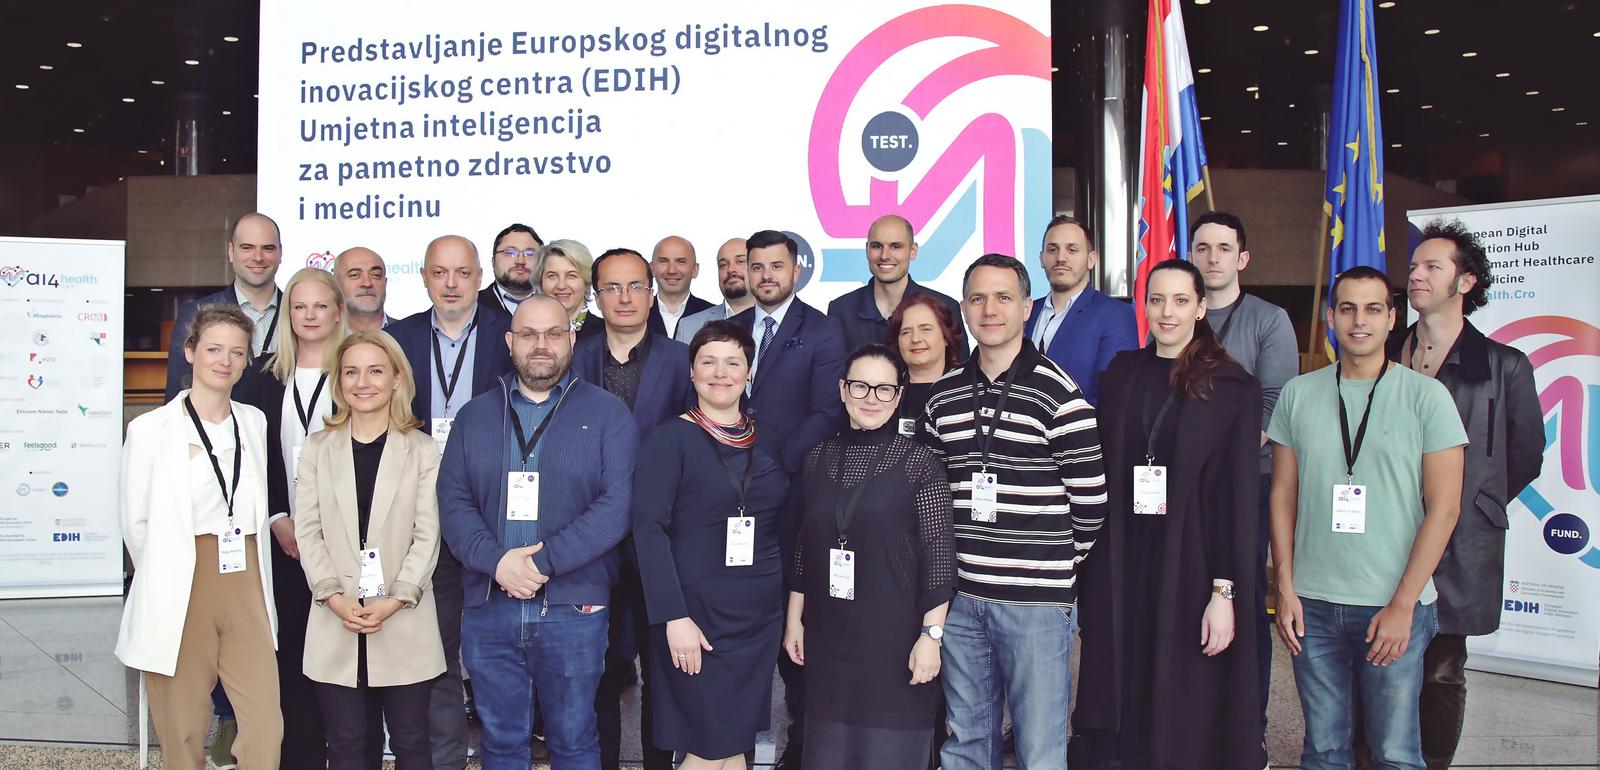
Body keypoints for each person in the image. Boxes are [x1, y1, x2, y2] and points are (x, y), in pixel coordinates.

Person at [1269, 266, 1467, 770]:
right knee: (1323, 750)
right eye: (1348, 309)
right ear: (1330, 317)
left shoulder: (1427, 397)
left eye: (1373, 309)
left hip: (1392, 603)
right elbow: (1282, 495)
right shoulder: (1298, 393)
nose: (1360, 321)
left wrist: (1403, 604)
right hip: (1312, 605)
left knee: (1395, 753)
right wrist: (1285, 586)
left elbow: (1445, 510)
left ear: (1392, 318)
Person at [1072, 259, 1266, 770]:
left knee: (1180, 692)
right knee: (1120, 680)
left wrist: (1224, 592)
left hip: (1193, 565)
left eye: (1181, 301)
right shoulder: (1122, 374)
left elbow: (1237, 498)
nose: (1167, 312)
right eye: (1156, 300)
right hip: (1123, 558)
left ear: (1201, 308)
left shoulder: (1232, 386)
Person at [922, 253, 1107, 770]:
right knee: (966, 741)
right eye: (978, 298)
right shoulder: (943, 398)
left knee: (1039, 747)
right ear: (963, 309)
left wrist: (1050, 562)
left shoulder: (1059, 394)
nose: (990, 309)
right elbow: (933, 500)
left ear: (1027, 308)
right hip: (961, 601)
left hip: (1035, 603)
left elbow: (1091, 502)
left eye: (1003, 297)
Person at [438, 295, 638, 770]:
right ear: (510, 342)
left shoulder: (609, 414)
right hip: (490, 605)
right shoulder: (474, 416)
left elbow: (616, 509)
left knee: (574, 738)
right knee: (501, 741)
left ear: (572, 339)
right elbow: (454, 503)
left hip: (575, 607)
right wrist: (497, 562)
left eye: (553, 333)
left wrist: (539, 563)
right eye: (528, 334)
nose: (541, 344)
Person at [1375, 221, 1541, 770]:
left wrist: (1470, 503)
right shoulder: (1383, 353)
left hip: (1461, 540)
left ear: (1465, 281)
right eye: (1413, 266)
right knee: (1373, 656)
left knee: (1442, 669)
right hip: (1382, 531)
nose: (1416, 276)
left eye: (1432, 267)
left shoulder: (1505, 365)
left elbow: (1525, 455)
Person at [118, 305, 282, 770]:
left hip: (245, 579)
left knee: (265, 726)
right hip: (181, 583)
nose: (224, 361)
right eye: (213, 349)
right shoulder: (150, 430)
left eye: (237, 352)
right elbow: (135, 523)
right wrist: (165, 576)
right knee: (184, 727)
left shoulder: (253, 421)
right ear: (190, 352)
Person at [784, 344, 955, 770]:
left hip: (895, 644)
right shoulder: (817, 459)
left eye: (884, 389)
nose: (871, 398)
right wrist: (794, 619)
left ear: (899, 396)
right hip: (829, 640)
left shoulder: (920, 464)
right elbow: (806, 544)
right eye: (860, 386)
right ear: (843, 390)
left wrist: (931, 637)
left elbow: (939, 557)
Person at [632, 320, 790, 770]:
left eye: (733, 362)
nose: (720, 373)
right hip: (695, 617)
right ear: (692, 372)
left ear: (749, 373)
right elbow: (647, 529)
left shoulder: (768, 437)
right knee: (707, 748)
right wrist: (673, 616)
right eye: (708, 362)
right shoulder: (668, 439)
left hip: (758, 618)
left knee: (734, 746)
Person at [385, 234, 514, 770]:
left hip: (492, 516)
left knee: (496, 652)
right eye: (440, 273)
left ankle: (503, 750)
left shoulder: (511, 334)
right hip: (419, 513)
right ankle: (446, 758)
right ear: (424, 278)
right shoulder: (399, 338)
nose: (452, 284)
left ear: (480, 277)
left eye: (463, 273)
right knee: (434, 647)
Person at [296, 330, 446, 770]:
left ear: (397, 379)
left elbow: (427, 535)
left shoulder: (423, 450)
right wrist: (333, 596)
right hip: (335, 616)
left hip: (403, 616)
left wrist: (395, 599)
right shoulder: (317, 448)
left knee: (412, 742)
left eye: (375, 371)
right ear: (339, 381)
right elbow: (308, 531)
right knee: (345, 744)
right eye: (351, 372)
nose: (362, 382)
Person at [731, 229, 847, 769]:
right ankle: (734, 743)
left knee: (797, 624)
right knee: (739, 620)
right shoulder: (728, 330)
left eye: (777, 266)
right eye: (757, 266)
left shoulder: (822, 330)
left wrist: (769, 466)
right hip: (728, 498)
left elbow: (826, 412)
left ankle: (800, 748)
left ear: (796, 270)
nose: (766, 276)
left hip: (793, 497)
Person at [574, 247, 693, 770]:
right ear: (595, 297)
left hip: (661, 540)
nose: (624, 298)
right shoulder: (573, 358)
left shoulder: (683, 360)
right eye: (612, 288)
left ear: (651, 292)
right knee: (597, 670)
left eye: (635, 286)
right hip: (587, 542)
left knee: (662, 670)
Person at [232, 267, 348, 769]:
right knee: (292, 653)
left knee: (341, 656)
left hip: (345, 538)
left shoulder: (356, 370)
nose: (309, 315)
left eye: (320, 306)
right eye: (299, 306)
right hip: (283, 540)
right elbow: (250, 457)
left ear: (338, 311)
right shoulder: (262, 376)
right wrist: (278, 515)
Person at [1188, 211, 1299, 726]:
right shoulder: (1178, 312)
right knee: (1191, 597)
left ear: (1243, 258)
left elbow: (1276, 402)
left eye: (1224, 248)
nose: (1213, 258)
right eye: (1203, 248)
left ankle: (1248, 727)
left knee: (1244, 599)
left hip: (1245, 483)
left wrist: (1216, 456)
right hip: (1186, 487)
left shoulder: (1269, 319)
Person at [166, 212, 284, 402]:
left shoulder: (299, 314)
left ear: (280, 253)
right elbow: (177, 394)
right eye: (247, 247)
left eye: (268, 248)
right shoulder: (197, 313)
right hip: (217, 421)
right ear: (231, 251)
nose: (258, 257)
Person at [1025, 215, 1137, 408]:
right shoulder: (1026, 312)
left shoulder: (1115, 315)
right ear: (1042, 258)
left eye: (1072, 250)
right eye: (1052, 249)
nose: (1061, 258)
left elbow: (1116, 396)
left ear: (1091, 259)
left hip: (1084, 426)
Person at [827, 214, 966, 358]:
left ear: (913, 251)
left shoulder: (945, 307)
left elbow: (960, 368)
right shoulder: (841, 310)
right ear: (867, 250)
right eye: (876, 246)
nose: (885, 256)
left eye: (895, 246)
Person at [886, 293, 963, 437]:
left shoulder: (967, 390)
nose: (915, 339)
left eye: (926, 329)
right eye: (906, 332)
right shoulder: (885, 391)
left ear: (946, 337)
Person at [676, 238, 754, 344]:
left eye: (740, 261)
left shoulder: (774, 320)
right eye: (723, 265)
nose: (731, 269)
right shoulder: (689, 326)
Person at [536, 239, 604, 343]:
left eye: (572, 276)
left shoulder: (606, 334)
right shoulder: (525, 332)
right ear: (541, 282)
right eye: (552, 276)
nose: (561, 285)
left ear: (587, 282)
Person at [648, 235, 713, 338]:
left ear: (695, 270)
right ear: (652, 269)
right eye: (664, 261)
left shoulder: (715, 317)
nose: (671, 270)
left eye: (681, 262)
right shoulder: (636, 313)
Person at [481, 223, 544, 317]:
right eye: (510, 252)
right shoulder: (471, 305)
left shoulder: (556, 305)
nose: (520, 261)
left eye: (530, 254)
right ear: (493, 261)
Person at [335, 247, 395, 331]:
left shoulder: (410, 333)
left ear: (385, 283)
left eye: (376, 275)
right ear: (336, 284)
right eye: (354, 275)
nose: (367, 283)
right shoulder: (322, 336)